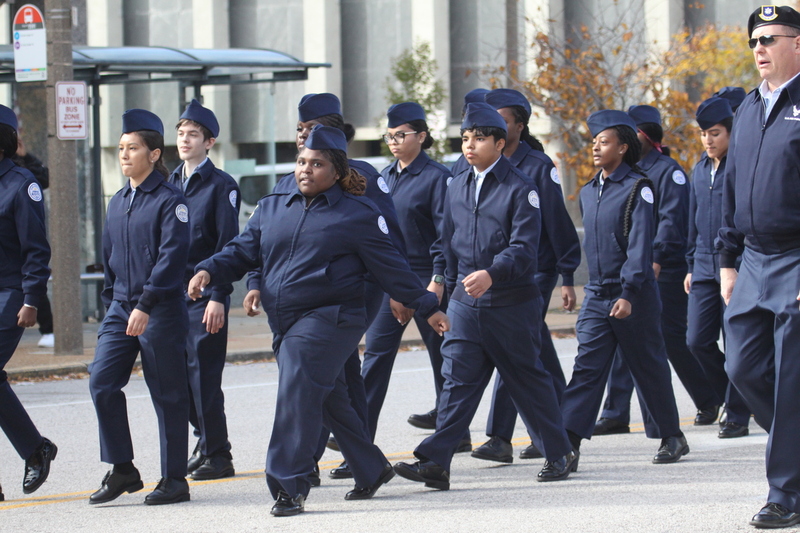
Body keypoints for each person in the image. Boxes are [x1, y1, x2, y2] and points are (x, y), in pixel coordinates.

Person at [189, 124, 449, 516]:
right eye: (301, 162)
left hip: (333, 316)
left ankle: (289, 484)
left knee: (297, 390)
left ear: (336, 171)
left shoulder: (357, 213)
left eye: (317, 163)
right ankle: (371, 467)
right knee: (330, 398)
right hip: (285, 318)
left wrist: (428, 307)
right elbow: (244, 249)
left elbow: (392, 268)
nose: (305, 169)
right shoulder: (277, 202)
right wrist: (209, 270)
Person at [393, 102, 577, 491]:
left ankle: (559, 453)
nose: (469, 145)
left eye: (478, 138)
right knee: (457, 380)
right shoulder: (456, 183)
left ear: (498, 142)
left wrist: (493, 273)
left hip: (511, 302)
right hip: (464, 302)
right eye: (464, 138)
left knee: (526, 380)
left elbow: (525, 248)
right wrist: (441, 280)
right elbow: (444, 242)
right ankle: (436, 462)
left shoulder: (520, 187)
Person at [559, 110, 688, 464]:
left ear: (623, 147)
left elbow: (640, 244)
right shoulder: (588, 192)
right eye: (594, 142)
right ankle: (568, 444)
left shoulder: (638, 187)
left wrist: (629, 293)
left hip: (634, 293)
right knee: (587, 368)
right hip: (598, 294)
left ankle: (671, 436)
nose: (596, 148)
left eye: (604, 142)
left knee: (648, 366)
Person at [718, 5, 800, 528]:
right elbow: (731, 189)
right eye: (753, 41)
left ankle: (785, 494)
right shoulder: (747, 107)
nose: (759, 49)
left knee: (791, 379)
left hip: (796, 256)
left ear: (798, 43)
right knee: (741, 367)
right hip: (751, 259)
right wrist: (727, 261)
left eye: (770, 38)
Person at [594, 104, 720, 436]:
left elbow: (671, 222)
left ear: (646, 136)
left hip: (664, 269)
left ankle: (709, 397)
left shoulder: (668, 172)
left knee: (672, 340)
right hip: (632, 269)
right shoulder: (623, 174)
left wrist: (656, 259)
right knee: (623, 338)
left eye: (632, 132)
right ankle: (616, 410)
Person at [470, 88, 581, 464]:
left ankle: (506, 436)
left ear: (518, 125)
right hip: (494, 274)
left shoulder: (537, 165)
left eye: (502, 120)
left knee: (515, 349)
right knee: (533, 352)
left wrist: (567, 272)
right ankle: (560, 427)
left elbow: (556, 220)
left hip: (534, 270)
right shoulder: (480, 164)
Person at [88, 109, 192, 506]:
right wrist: (111, 305)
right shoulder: (118, 201)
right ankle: (123, 469)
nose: (124, 154)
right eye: (121, 148)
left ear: (154, 154)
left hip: (160, 309)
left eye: (133, 148)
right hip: (120, 308)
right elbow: (109, 257)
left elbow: (172, 258)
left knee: (167, 394)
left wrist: (146, 303)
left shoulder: (170, 201)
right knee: (101, 381)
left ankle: (174, 479)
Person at [359, 101, 450, 443]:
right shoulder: (383, 178)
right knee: (376, 357)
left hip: (428, 277)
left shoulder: (438, 178)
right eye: (390, 136)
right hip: (391, 279)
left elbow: (446, 234)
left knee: (444, 358)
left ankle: (451, 428)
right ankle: (360, 437)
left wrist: (437, 281)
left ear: (422, 136)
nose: (394, 141)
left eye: (401, 135)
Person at [170, 99, 240, 480]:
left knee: (204, 378)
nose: (184, 140)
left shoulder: (221, 186)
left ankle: (218, 454)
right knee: (177, 377)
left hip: (205, 297)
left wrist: (219, 297)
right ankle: (206, 441)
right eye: (180, 134)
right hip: (173, 297)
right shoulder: (170, 182)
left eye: (192, 135)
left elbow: (229, 246)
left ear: (209, 142)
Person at [685, 97, 751, 440]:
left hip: (736, 267)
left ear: (730, 132)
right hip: (702, 268)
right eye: (703, 134)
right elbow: (693, 222)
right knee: (696, 340)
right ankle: (735, 395)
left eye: (715, 133)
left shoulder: (740, 166)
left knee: (737, 342)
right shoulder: (699, 169)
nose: (708, 140)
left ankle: (736, 414)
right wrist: (689, 265)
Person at [0, 104, 57, 499]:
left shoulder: (22, 184)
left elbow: (36, 249)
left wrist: (33, 298)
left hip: (9, 294)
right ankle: (35, 448)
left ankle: (34, 448)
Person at [11, 136, 54, 349]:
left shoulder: (20, 177)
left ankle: (48, 329)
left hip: (14, 266)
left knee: (32, 281)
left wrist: (25, 155)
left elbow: (43, 178)